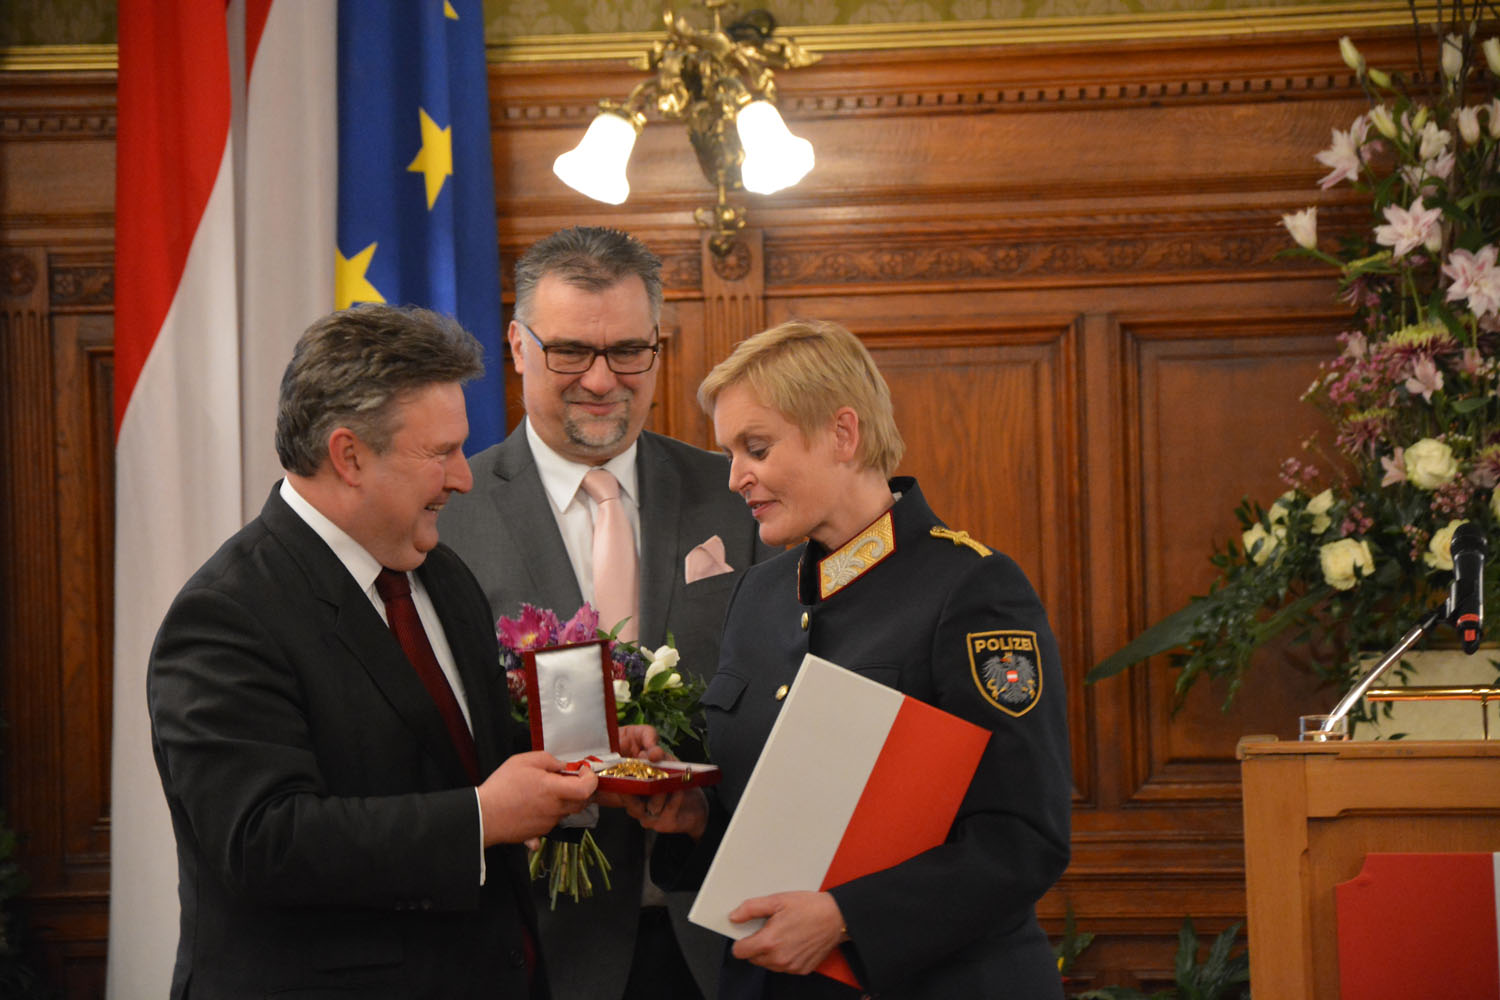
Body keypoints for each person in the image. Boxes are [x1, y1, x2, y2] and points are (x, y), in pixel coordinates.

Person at [146, 304, 618, 999]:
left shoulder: (441, 575)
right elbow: (262, 841)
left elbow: (451, 753)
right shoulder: (227, 615)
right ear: (349, 456)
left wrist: (590, 756)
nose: (463, 477)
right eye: (441, 453)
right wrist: (482, 818)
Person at [629, 319, 1074, 999]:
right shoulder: (759, 593)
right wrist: (694, 816)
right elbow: (774, 820)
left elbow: (1024, 838)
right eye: (729, 453)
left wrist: (846, 917)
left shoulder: (971, 587)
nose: (736, 477)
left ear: (843, 434)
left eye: (756, 448)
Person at [439, 226, 773, 1000]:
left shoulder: (740, 496)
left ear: (656, 347)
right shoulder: (446, 514)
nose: (601, 380)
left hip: (720, 937)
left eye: (627, 351)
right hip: (533, 949)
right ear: (518, 347)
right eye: (569, 353)